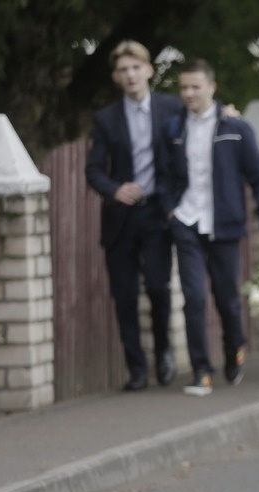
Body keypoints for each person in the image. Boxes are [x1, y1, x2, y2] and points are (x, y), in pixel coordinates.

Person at [158, 58, 259, 396]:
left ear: (211, 87)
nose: (189, 94)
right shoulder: (173, 129)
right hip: (186, 221)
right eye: (184, 88)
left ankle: (234, 347)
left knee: (227, 298)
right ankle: (201, 369)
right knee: (194, 297)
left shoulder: (236, 128)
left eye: (195, 87)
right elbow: (163, 176)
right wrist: (170, 211)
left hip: (224, 225)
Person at [86, 40, 179, 392]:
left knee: (157, 287)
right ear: (115, 77)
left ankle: (164, 352)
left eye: (136, 68)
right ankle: (136, 369)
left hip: (157, 213)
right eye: (123, 70)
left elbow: (202, 120)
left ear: (149, 70)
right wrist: (114, 190)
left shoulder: (171, 108)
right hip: (121, 219)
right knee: (124, 296)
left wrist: (226, 114)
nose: (130, 75)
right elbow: (94, 170)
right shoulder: (106, 119)